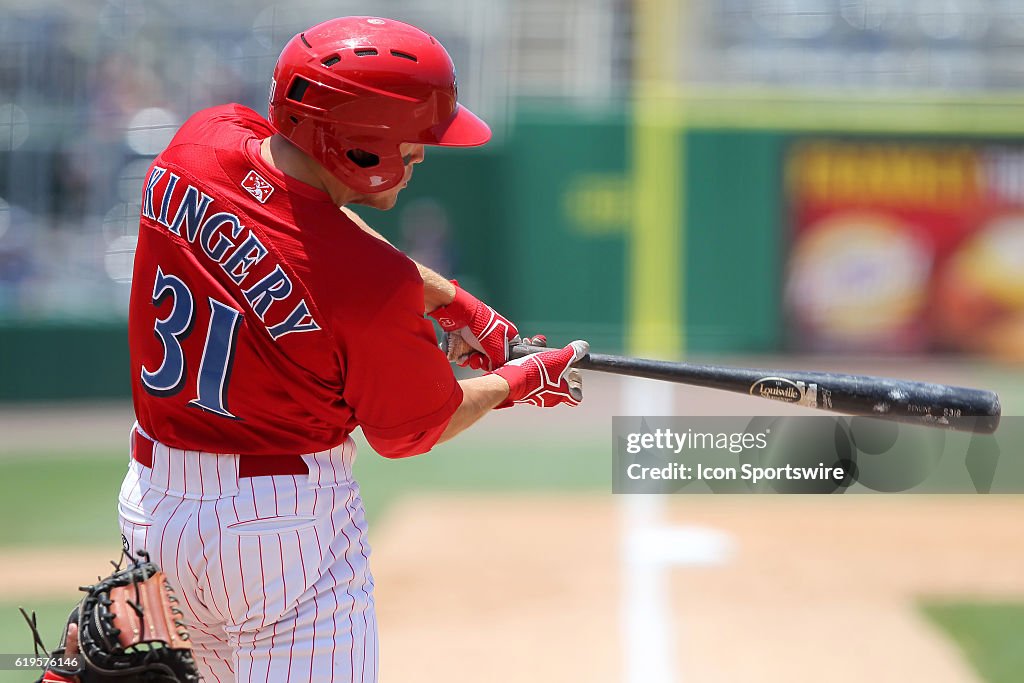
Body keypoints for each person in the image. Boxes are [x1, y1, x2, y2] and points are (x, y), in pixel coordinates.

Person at [118, 15, 588, 683]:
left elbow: (304, 210)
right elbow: (415, 427)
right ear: (360, 147)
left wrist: (454, 302)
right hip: (277, 537)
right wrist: (518, 379)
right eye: (413, 147)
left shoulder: (199, 142)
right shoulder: (371, 289)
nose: (420, 160)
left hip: (152, 508)